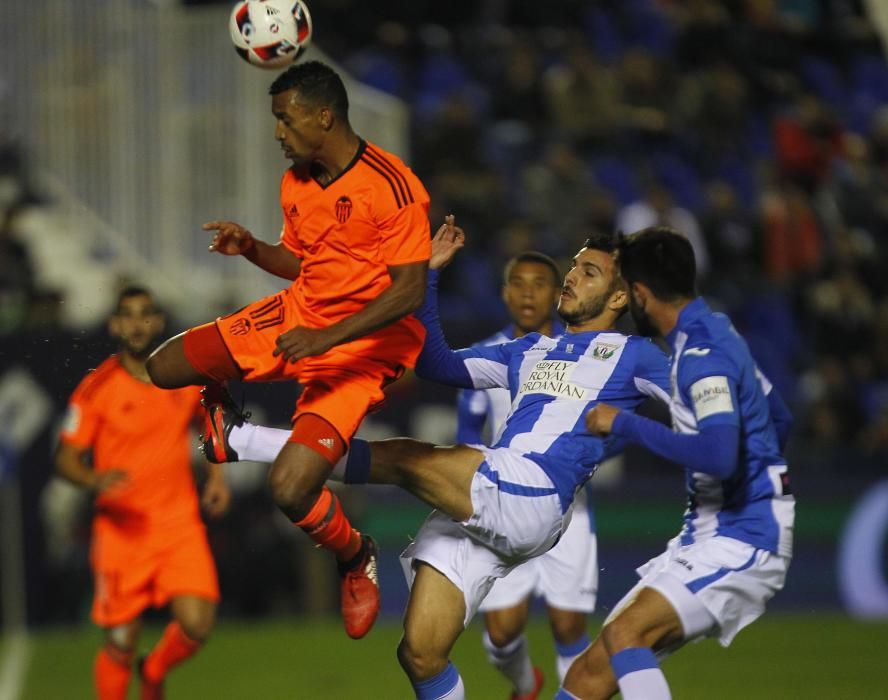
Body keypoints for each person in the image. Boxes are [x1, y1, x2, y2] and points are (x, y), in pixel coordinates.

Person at [201, 219, 672, 698]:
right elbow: (435, 363)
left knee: (407, 457)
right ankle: (239, 439)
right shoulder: (530, 350)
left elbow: (697, 401)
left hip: (535, 490)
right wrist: (426, 275)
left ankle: (241, 439)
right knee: (420, 653)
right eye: (573, 267)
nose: (570, 277)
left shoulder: (635, 355)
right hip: (496, 497)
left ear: (619, 299)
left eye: (589, 272)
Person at [145, 60, 431, 639]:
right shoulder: (296, 181)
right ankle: (222, 413)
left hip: (366, 348)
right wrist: (252, 248)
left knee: (290, 488)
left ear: (323, 116)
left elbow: (408, 292)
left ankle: (354, 557)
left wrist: (326, 338)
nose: (278, 132)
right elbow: (303, 262)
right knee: (164, 366)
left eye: (285, 118)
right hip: (302, 314)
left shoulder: (393, 185)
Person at [558, 226, 795, 700]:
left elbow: (720, 455)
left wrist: (622, 423)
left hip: (743, 537)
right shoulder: (716, 332)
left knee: (626, 636)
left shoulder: (700, 358)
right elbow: (778, 416)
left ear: (641, 295)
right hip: (711, 530)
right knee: (588, 675)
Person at [56, 286, 230, 700]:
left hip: (177, 524)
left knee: (198, 624)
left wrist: (217, 478)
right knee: (119, 640)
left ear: (157, 322)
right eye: (128, 315)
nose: (137, 323)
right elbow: (66, 457)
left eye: (145, 314)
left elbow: (208, 426)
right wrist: (93, 480)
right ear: (115, 324)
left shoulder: (179, 378)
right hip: (122, 531)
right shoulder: (97, 387)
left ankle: (153, 671)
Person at [456, 252, 596, 700]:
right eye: (519, 283)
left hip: (567, 511)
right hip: (506, 507)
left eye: (539, 284)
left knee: (569, 623)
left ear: (558, 295)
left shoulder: (582, 354)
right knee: (501, 633)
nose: (528, 292)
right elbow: (466, 434)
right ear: (505, 292)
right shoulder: (489, 356)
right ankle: (524, 686)